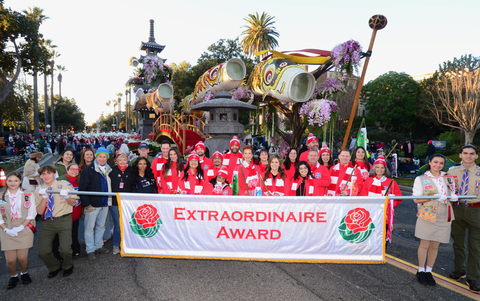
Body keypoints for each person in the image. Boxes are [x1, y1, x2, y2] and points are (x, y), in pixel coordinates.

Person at [412, 154, 457, 287]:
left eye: (441, 163)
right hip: (428, 212)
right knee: (424, 244)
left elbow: (452, 193)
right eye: (435, 162)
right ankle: (420, 270)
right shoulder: (421, 179)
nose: (438, 165)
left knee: (435, 245)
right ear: (430, 162)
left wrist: (453, 196)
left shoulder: (448, 178)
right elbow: (416, 199)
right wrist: (435, 197)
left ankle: (429, 271)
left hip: (444, 213)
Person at [447, 145, 480, 293]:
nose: (468, 156)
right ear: (460, 155)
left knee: (475, 246)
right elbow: (446, 189)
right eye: (465, 153)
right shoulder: (452, 171)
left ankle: (472, 277)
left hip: (476, 210)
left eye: (472, 154)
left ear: (476, 156)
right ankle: (460, 269)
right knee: (458, 243)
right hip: (457, 209)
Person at [35, 165, 76, 278]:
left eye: (49, 173)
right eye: (43, 174)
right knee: (43, 251)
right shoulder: (38, 190)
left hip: (64, 219)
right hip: (49, 222)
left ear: (54, 174)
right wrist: (44, 197)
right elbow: (39, 212)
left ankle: (67, 266)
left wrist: (67, 196)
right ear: (40, 176)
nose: (46, 176)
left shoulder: (64, 185)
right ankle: (55, 266)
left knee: (65, 249)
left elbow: (73, 203)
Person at [0, 171, 37, 289]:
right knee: (10, 260)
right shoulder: (1, 196)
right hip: (7, 228)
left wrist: (21, 227)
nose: (13, 183)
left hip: (24, 227)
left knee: (22, 257)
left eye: (16, 180)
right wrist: (6, 230)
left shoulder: (28, 194)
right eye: (10, 181)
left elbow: (32, 214)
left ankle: (24, 273)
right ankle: (13, 276)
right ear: (6, 182)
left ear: (20, 181)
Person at [359, 156, 402, 245]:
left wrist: (389, 204)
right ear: (374, 168)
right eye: (377, 167)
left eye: (382, 167)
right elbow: (362, 196)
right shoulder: (368, 181)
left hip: (384, 217)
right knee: (369, 239)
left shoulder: (391, 182)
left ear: (385, 169)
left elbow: (398, 198)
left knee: (382, 240)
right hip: (370, 215)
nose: (380, 169)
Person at [79, 147, 112, 261]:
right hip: (92, 204)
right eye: (100, 156)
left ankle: (98, 246)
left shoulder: (108, 169)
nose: (102, 159)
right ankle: (90, 250)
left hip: (104, 203)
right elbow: (82, 188)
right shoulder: (88, 170)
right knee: (89, 228)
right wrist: (87, 204)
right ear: (96, 157)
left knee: (101, 226)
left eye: (104, 157)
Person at [109, 154, 134, 254]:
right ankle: (116, 244)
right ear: (117, 161)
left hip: (128, 202)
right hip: (115, 202)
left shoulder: (131, 170)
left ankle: (127, 243)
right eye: (120, 160)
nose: (122, 162)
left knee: (128, 223)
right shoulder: (112, 170)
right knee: (118, 224)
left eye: (124, 160)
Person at [56, 163, 82, 257]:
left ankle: (75, 248)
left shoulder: (79, 179)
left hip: (77, 210)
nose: (75, 171)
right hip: (65, 212)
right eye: (72, 169)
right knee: (64, 233)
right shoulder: (60, 180)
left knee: (74, 231)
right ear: (67, 169)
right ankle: (63, 252)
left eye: (77, 169)